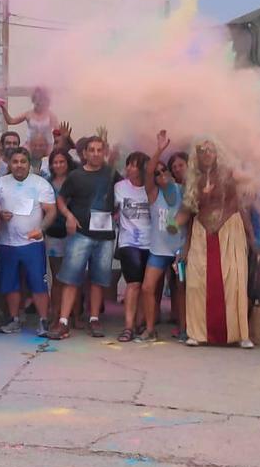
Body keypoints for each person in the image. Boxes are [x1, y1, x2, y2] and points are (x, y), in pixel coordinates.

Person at [182, 140, 252, 348]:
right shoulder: (193, 179)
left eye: (211, 150)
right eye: (202, 150)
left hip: (230, 228)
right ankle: (196, 333)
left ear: (217, 153)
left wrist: (252, 235)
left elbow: (241, 203)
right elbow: (187, 211)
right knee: (196, 283)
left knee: (235, 281)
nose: (207, 154)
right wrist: (176, 230)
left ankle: (241, 334)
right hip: (201, 230)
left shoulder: (229, 175)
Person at [51, 135, 120, 340]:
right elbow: (61, 200)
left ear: (104, 152)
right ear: (84, 153)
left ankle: (94, 319)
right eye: (92, 150)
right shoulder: (76, 176)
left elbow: (127, 192)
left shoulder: (111, 174)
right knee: (71, 279)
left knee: (98, 280)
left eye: (100, 150)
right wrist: (69, 216)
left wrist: (117, 213)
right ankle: (63, 322)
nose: (96, 153)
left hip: (105, 236)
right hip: (80, 234)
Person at [0, 147, 56, 334]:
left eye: (23, 162)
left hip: (32, 244)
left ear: (29, 164)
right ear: (10, 164)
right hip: (6, 243)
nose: (19, 165)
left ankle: (43, 320)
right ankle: (14, 320)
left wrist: (41, 229)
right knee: (10, 283)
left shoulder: (40, 184)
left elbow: (51, 211)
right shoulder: (1, 183)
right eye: (15, 162)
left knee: (38, 283)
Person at [141, 146, 185, 342]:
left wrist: (186, 248)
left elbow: (190, 219)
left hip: (179, 250)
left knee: (182, 290)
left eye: (163, 170)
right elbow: (149, 170)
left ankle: (184, 329)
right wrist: (158, 150)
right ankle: (150, 329)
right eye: (156, 173)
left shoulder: (182, 190)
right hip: (158, 251)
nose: (160, 175)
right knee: (147, 287)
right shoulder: (153, 193)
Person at [115, 149, 153, 342]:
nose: (129, 168)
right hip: (128, 242)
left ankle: (142, 323)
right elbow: (111, 209)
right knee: (133, 284)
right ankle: (128, 327)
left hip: (152, 243)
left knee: (148, 287)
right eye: (128, 164)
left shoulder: (152, 188)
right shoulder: (120, 187)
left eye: (134, 164)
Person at [43, 149, 77, 335]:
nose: (58, 165)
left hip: (73, 233)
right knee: (57, 278)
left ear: (67, 163)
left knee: (72, 276)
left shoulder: (75, 180)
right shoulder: (47, 183)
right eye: (55, 162)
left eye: (61, 161)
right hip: (54, 233)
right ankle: (55, 314)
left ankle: (73, 315)